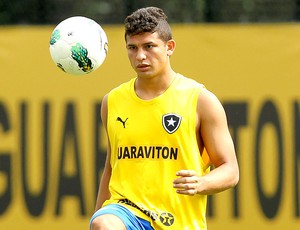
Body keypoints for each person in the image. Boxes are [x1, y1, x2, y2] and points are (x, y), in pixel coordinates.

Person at [90, 6, 239, 230]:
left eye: (149, 46)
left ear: (169, 47)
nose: (140, 56)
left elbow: (230, 170)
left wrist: (201, 182)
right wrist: (98, 214)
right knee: (104, 224)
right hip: (125, 210)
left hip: (179, 222)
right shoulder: (112, 101)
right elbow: (112, 166)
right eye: (132, 48)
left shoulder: (200, 100)